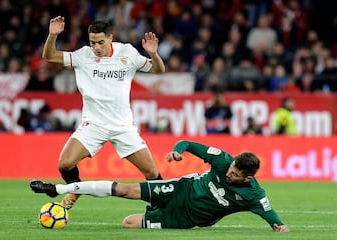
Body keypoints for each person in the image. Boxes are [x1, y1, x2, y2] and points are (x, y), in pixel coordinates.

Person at [41, 16, 165, 209]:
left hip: (122, 126)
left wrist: (154, 54)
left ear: (110, 38)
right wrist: (52, 35)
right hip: (94, 124)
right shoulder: (83, 55)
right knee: (65, 163)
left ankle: (162, 206)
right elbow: (49, 56)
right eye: (92, 43)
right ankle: (75, 191)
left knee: (151, 171)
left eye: (100, 42)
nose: (96, 47)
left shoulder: (127, 53)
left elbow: (159, 70)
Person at [30, 140, 289, 232]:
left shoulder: (254, 195)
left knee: (127, 223)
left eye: (234, 175)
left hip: (183, 219)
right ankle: (60, 190)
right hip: (181, 189)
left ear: (247, 178)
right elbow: (187, 143)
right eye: (230, 168)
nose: (229, 173)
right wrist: (177, 152)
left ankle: (154, 212)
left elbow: (270, 214)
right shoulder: (222, 159)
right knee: (126, 189)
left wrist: (279, 226)